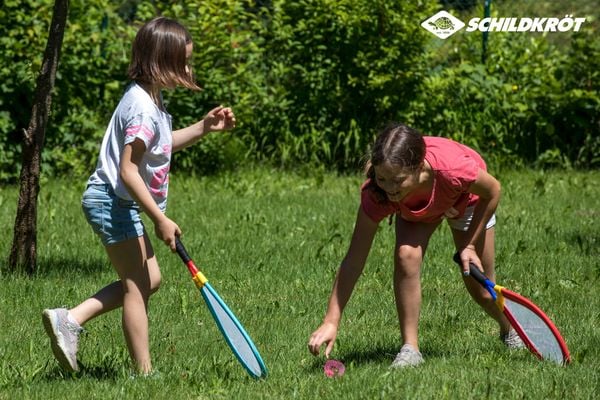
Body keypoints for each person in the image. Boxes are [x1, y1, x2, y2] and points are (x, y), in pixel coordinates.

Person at [42, 17, 236, 375]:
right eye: (184, 62)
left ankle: (70, 318)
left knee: (151, 280)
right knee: (137, 285)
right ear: (161, 63)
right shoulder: (144, 109)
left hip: (116, 201)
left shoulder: (149, 98)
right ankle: (144, 374)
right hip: (111, 201)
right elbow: (128, 170)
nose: (189, 68)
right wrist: (160, 219)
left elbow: (160, 145)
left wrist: (204, 128)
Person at [308, 122, 523, 368]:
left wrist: (470, 246)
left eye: (397, 180)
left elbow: (493, 190)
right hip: (417, 209)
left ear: (419, 167)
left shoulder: (453, 170)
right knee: (405, 255)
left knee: (482, 289)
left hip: (466, 200)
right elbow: (354, 260)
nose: (389, 188)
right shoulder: (378, 193)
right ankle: (410, 349)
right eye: (382, 178)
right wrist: (331, 320)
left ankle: (510, 329)